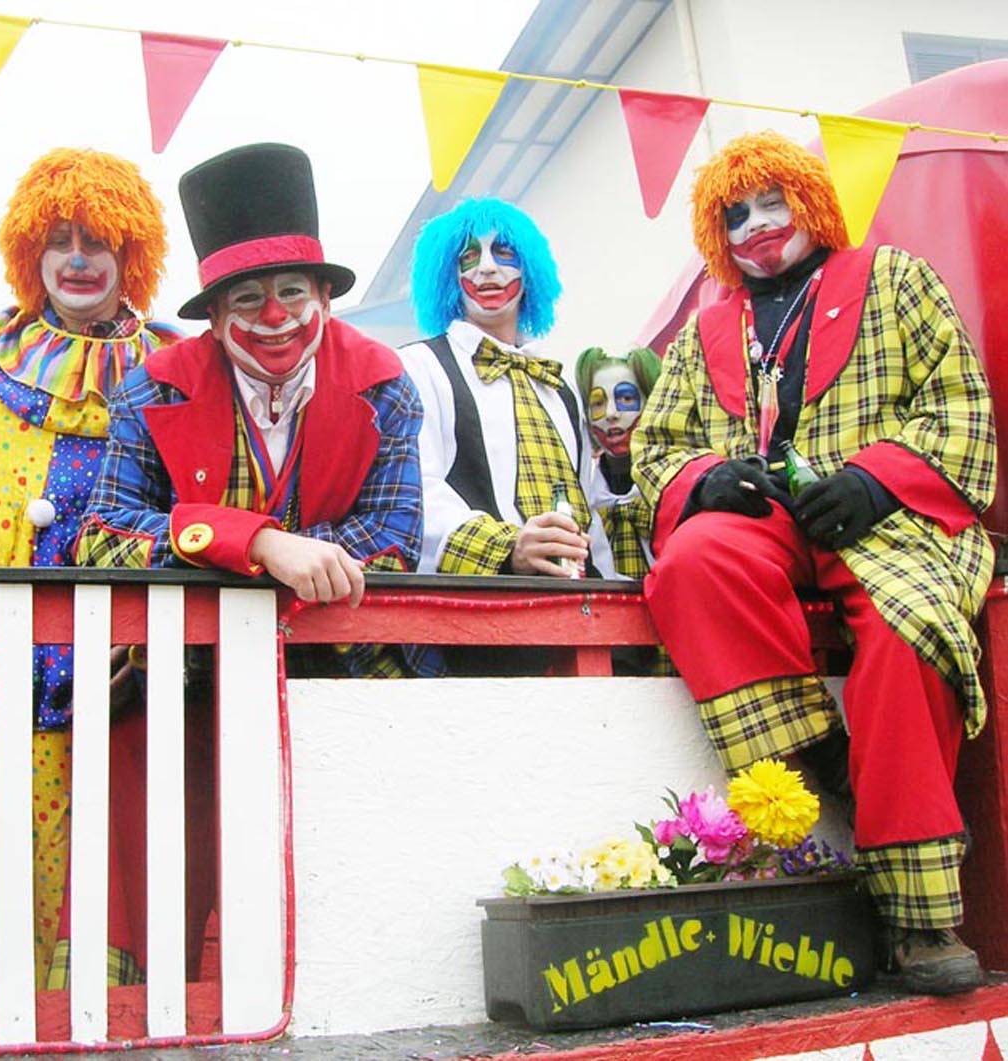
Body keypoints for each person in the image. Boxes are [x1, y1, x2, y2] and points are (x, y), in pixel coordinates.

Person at [632, 131, 996, 995]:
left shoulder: (894, 279)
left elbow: (960, 406)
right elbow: (655, 448)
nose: (755, 226)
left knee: (909, 632)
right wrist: (704, 477)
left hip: (890, 524)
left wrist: (876, 479)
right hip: (768, 521)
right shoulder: (703, 330)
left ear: (812, 202)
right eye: (734, 215)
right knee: (692, 560)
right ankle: (815, 749)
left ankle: (919, 918)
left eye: (772, 203)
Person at [73, 142, 437, 980]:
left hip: (343, 677)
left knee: (352, 881)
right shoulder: (152, 388)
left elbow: (391, 535)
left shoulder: (384, 383)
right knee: (165, 879)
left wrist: (269, 559)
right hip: (185, 685)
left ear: (324, 297)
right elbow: (102, 534)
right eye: (246, 299)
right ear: (213, 315)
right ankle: (158, 1011)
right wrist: (260, 543)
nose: (274, 316)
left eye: (292, 292)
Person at [0, 148, 177, 990]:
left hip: (127, 681)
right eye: (59, 240)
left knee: (114, 885)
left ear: (131, 253)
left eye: (99, 240)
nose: (78, 258)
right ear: (31, 250)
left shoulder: (173, 367)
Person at [402, 198, 616, 583]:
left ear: (530, 269)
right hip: (478, 604)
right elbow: (414, 490)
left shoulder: (562, 389)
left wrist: (610, 584)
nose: (487, 267)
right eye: (469, 256)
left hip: (578, 601)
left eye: (504, 253)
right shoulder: (420, 367)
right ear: (447, 275)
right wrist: (507, 548)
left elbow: (587, 507)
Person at [573, 345, 661, 580]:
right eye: (598, 403)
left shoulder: (679, 485)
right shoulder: (583, 499)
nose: (611, 413)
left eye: (626, 398)